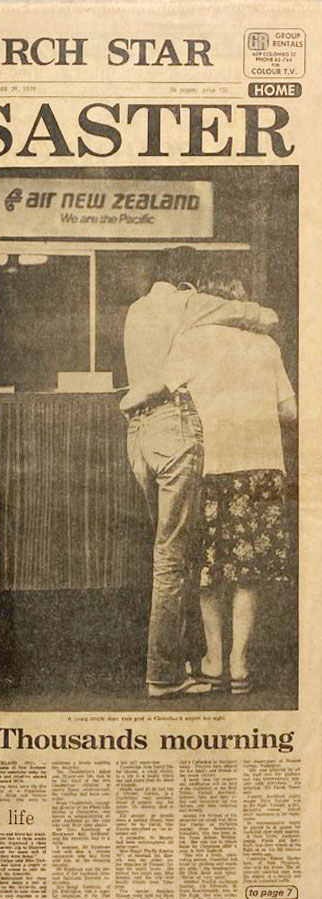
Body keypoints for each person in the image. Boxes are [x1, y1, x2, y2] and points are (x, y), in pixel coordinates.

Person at [120, 247, 278, 698]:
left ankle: (183, 659)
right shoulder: (189, 303)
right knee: (174, 558)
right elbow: (265, 315)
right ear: (189, 282)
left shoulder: (136, 309)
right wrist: (242, 319)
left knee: (166, 549)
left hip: (139, 436)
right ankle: (164, 675)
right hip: (174, 429)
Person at [166, 272, 296, 694]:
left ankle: (214, 659)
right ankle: (241, 663)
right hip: (265, 469)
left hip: (214, 467)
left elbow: (163, 394)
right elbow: (290, 413)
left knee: (208, 569)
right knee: (248, 571)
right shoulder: (267, 345)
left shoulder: (191, 342)